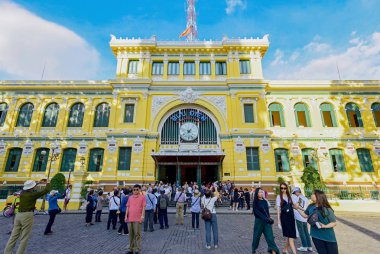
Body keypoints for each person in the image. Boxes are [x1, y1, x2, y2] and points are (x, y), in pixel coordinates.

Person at [4, 179, 51, 254]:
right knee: (24, 237)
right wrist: (48, 183)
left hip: (18, 215)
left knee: (13, 236)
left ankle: (7, 252)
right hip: (27, 215)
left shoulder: (22, 193)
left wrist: (37, 183)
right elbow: (46, 190)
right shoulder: (32, 195)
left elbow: (29, 188)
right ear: (32, 187)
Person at [294, 190, 339, 254]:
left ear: (318, 196)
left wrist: (324, 226)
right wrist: (297, 208)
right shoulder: (310, 206)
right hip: (316, 236)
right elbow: (305, 215)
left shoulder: (326, 208)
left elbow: (334, 223)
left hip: (329, 237)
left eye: (313, 194)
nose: (311, 195)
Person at [251, 188, 280, 254]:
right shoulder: (255, 202)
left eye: (262, 192)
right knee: (256, 236)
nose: (261, 193)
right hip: (259, 222)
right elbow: (257, 212)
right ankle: (254, 248)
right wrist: (266, 218)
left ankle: (273, 251)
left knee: (270, 237)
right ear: (257, 194)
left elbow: (267, 212)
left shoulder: (264, 201)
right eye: (259, 192)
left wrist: (269, 218)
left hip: (267, 222)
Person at [276, 183, 297, 254]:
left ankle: (285, 249)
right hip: (284, 218)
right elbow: (278, 210)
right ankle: (295, 252)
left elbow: (294, 206)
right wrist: (278, 221)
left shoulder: (290, 196)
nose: (283, 190)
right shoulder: (279, 197)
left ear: (287, 188)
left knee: (290, 235)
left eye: (284, 188)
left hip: (291, 217)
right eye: (281, 188)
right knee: (291, 236)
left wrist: (301, 209)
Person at [125, 184, 146, 254]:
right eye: (134, 190)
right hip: (130, 218)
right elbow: (127, 207)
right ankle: (131, 249)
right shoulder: (130, 197)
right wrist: (125, 216)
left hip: (137, 219)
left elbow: (143, 207)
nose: (135, 191)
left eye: (137, 189)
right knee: (131, 235)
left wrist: (142, 216)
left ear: (139, 190)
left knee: (137, 235)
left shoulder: (142, 197)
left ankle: (138, 249)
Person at [292, 187, 313, 252]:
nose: (295, 193)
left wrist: (294, 206)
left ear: (296, 192)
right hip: (305, 217)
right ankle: (309, 246)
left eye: (295, 192)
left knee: (302, 232)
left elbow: (296, 206)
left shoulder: (298, 198)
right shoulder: (305, 198)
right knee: (306, 232)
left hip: (299, 216)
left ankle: (304, 246)